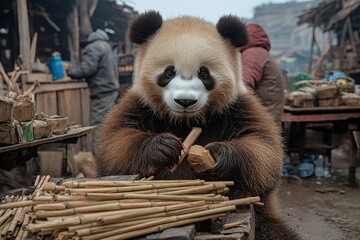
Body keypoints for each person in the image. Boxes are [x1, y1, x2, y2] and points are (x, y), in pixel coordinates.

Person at [67, 29, 119, 155]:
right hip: (110, 91)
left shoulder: (94, 47)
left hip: (103, 92)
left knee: (99, 127)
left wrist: (70, 71)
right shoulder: (106, 46)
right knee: (109, 126)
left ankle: (100, 162)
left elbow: (87, 69)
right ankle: (110, 159)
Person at [240, 23, 285, 126]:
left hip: (260, 123)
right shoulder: (262, 53)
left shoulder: (253, 54)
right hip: (269, 120)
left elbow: (244, 87)